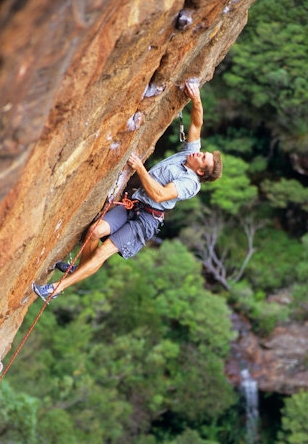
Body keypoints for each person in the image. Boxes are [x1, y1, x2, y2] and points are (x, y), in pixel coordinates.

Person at [33, 81, 223, 302]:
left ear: (201, 172)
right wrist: (196, 98)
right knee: (94, 231)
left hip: (146, 220)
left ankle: (54, 289)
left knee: (104, 253)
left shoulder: (190, 182)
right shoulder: (189, 155)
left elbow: (160, 195)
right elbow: (197, 124)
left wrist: (140, 168)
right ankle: (79, 270)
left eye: (203, 158)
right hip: (135, 203)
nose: (199, 153)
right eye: (203, 153)